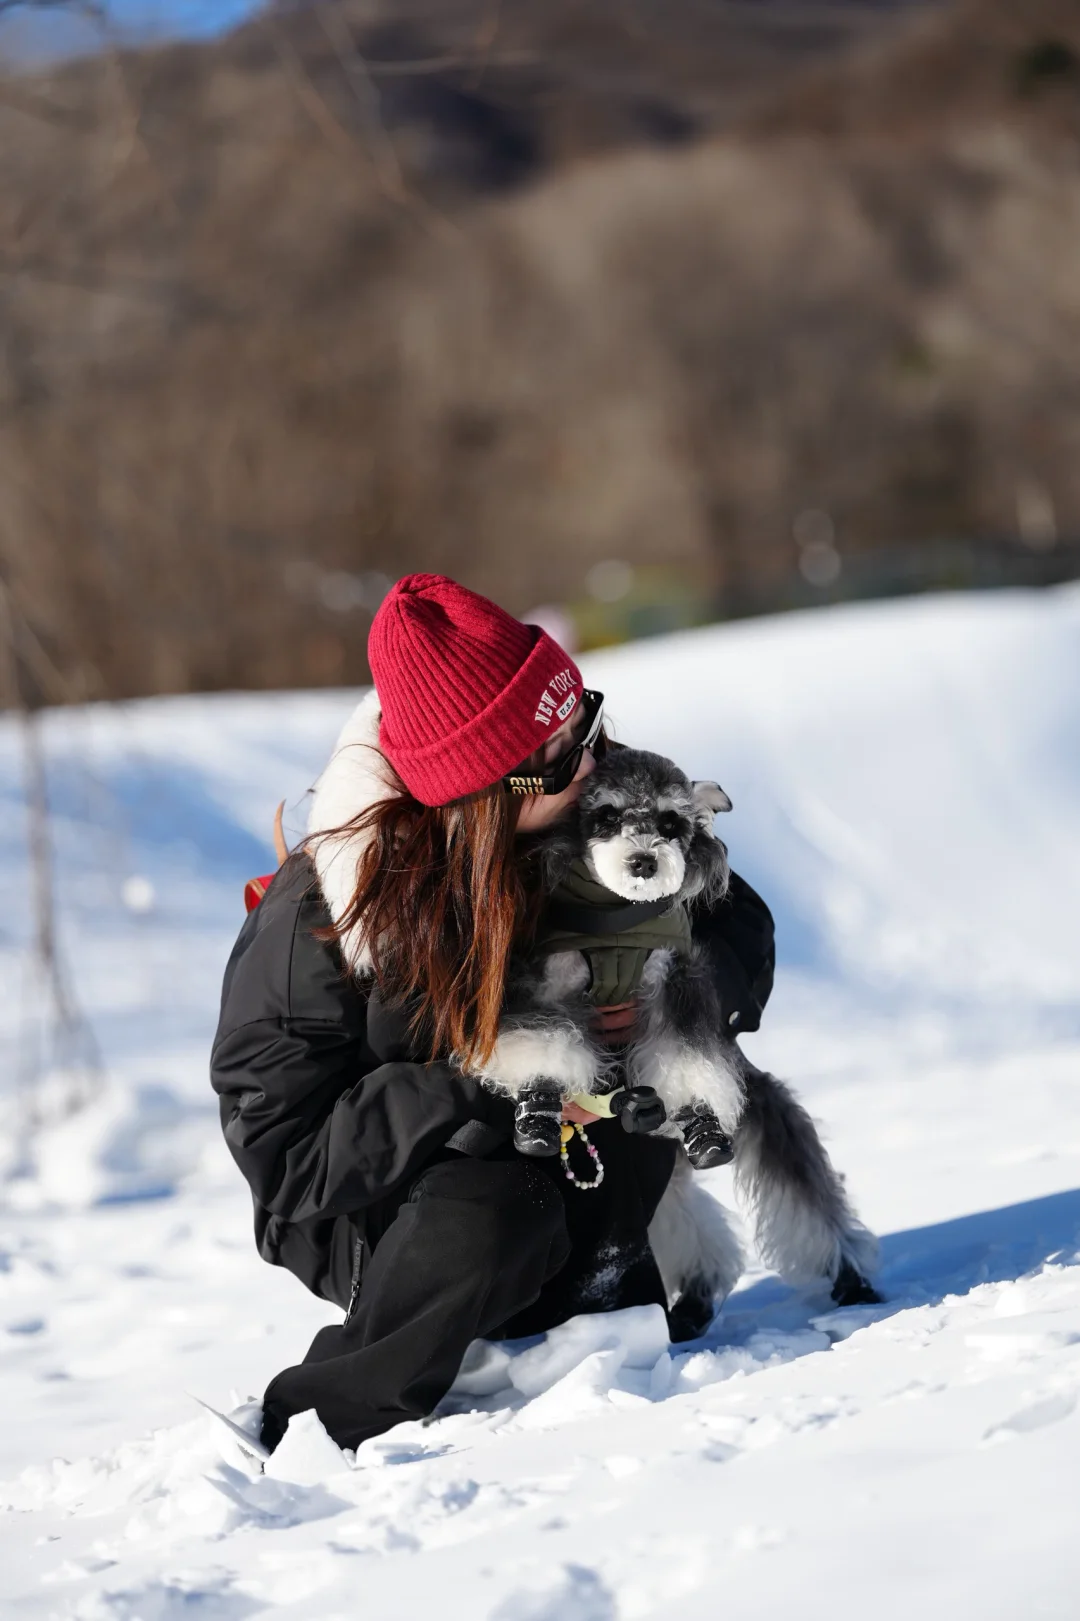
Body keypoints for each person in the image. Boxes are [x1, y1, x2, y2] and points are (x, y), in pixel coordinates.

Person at [210, 573, 775, 1454]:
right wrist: (481, 1077)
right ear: (480, 798)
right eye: (558, 758)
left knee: (633, 1113)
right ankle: (323, 1413)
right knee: (495, 1207)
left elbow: (737, 919)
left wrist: (674, 1009)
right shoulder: (326, 909)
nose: (588, 763)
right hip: (385, 1203)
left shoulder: (583, 795)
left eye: (585, 722)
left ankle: (574, 1322)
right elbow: (287, 1160)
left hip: (557, 1144)